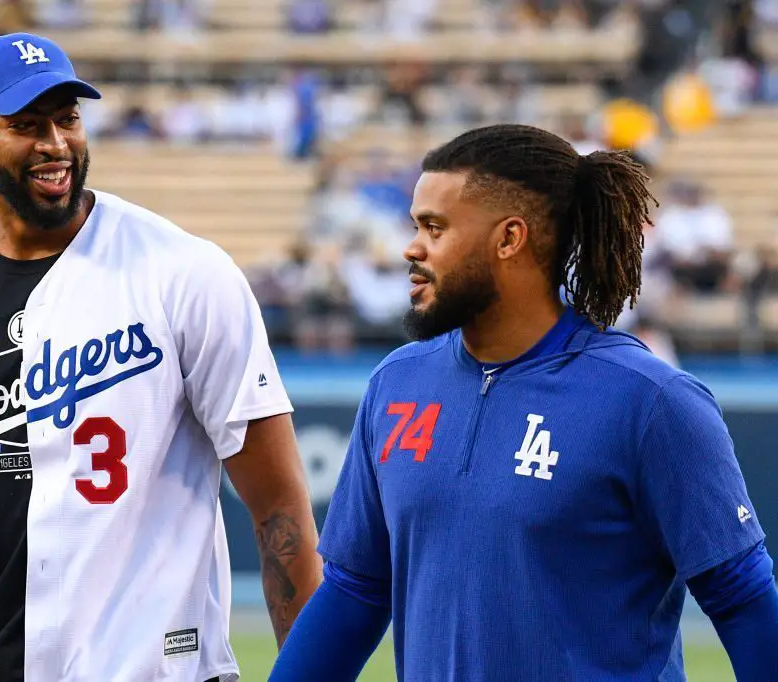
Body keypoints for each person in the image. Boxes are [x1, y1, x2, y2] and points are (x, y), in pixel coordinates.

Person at [0, 33, 322, 682]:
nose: (55, 143)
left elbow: (280, 510)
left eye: (68, 118)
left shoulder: (184, 274)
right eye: (26, 125)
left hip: (145, 668)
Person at [269, 124, 778, 681]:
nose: (411, 248)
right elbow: (356, 591)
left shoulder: (652, 402)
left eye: (434, 228)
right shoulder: (397, 383)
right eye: (416, 225)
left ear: (509, 239)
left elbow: (742, 598)